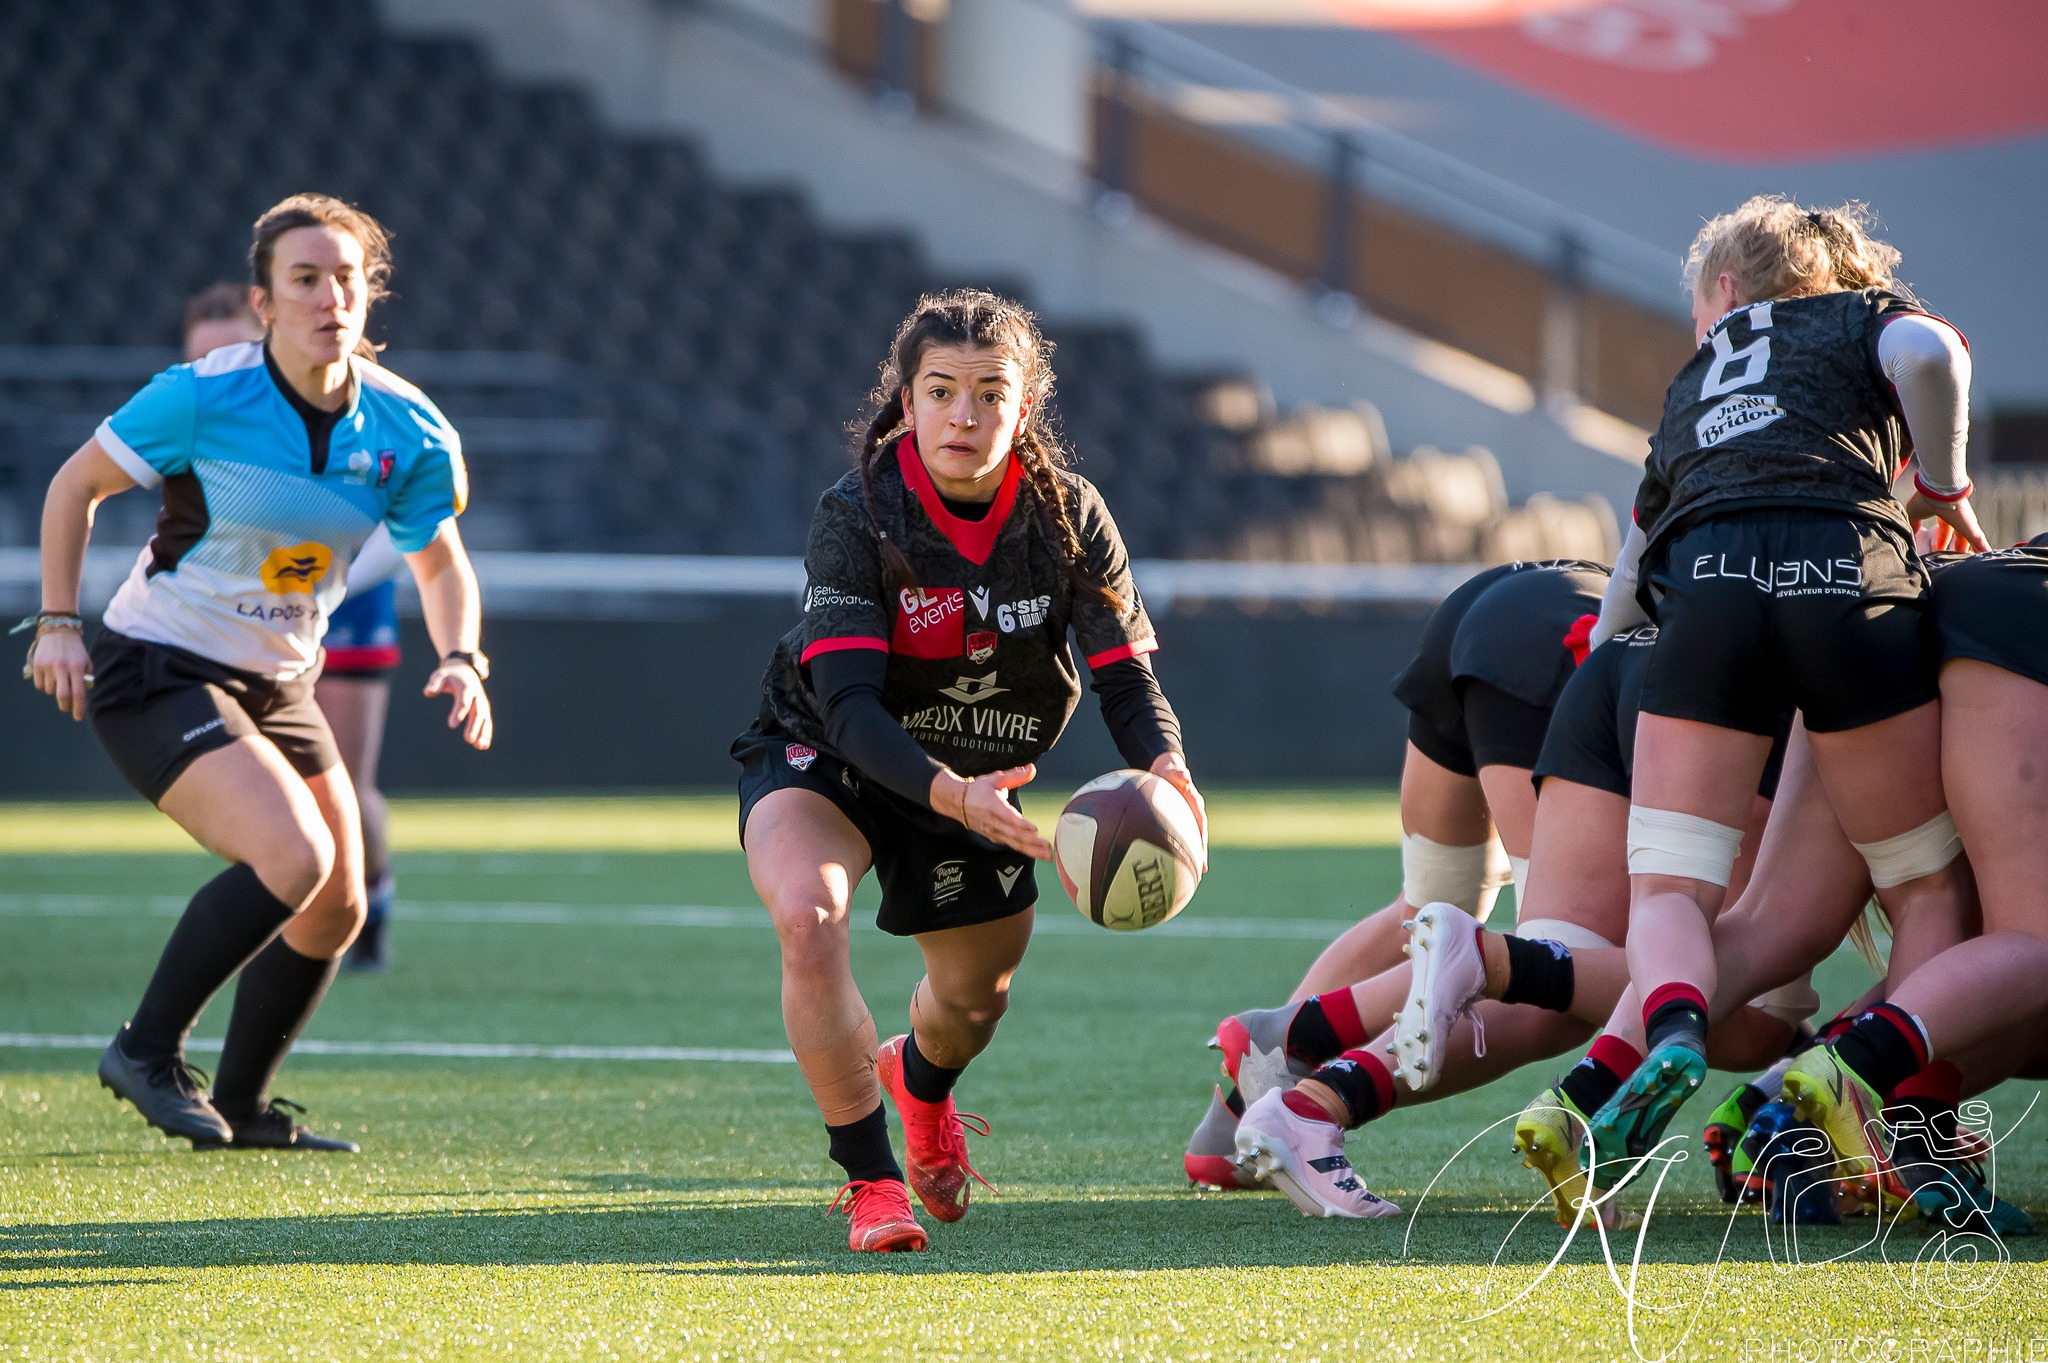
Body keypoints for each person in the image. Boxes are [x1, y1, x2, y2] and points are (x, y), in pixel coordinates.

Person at [733, 290, 1205, 1253]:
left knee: (968, 1006)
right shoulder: (857, 512)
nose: (965, 414)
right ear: (906, 405)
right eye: (941, 391)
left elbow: (1125, 680)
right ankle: (870, 1183)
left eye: (991, 393)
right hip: (829, 751)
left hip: (982, 783)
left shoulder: (1069, 516)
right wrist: (949, 792)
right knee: (806, 915)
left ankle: (924, 1084)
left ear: (1022, 407)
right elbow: (852, 704)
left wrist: (1169, 771)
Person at [20, 193, 491, 1151]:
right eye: (304, 279)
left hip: (279, 681)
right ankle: (145, 1049)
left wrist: (462, 657)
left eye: (346, 278)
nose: (329, 297)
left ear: (370, 296)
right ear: (263, 301)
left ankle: (238, 1104)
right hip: (157, 665)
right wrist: (58, 623)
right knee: (295, 856)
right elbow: (75, 487)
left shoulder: (407, 429)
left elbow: (439, 561)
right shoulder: (202, 396)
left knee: (339, 905)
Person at [1576, 195, 1983, 1174]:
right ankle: (1887, 1112)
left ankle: (1669, 1029)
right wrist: (1941, 485)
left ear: (1723, 287)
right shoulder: (1857, 315)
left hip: (1702, 590)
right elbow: (1932, 359)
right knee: (1922, 884)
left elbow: (1630, 577)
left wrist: (1601, 672)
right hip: (1839, 578)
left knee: (1672, 887)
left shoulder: (1692, 380)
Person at [1223, 622, 1799, 1220]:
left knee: (1538, 977)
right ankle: (1863, 1084)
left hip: (1608, 664)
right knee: (1767, 997)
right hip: (1729, 674)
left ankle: (1316, 1096)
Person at [1183, 559, 1607, 1190]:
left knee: (1430, 906)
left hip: (1485, 605)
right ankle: (1305, 1104)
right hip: (1553, 642)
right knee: (1562, 975)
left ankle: (1257, 1090)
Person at [1771, 537, 2048, 1233]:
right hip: (1998, 621)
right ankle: (1852, 1070)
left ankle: (1771, 1102)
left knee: (1770, 929)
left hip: (1884, 602)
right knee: (2032, 946)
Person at [179, 280, 412, 972]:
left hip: (339, 612)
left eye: (227, 354)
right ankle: (286, 913)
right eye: (198, 359)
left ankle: (371, 900)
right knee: (264, 783)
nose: (212, 372)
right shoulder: (189, 420)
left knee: (340, 778)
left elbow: (409, 525)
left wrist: (326, 584)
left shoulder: (340, 404)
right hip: (247, 617)